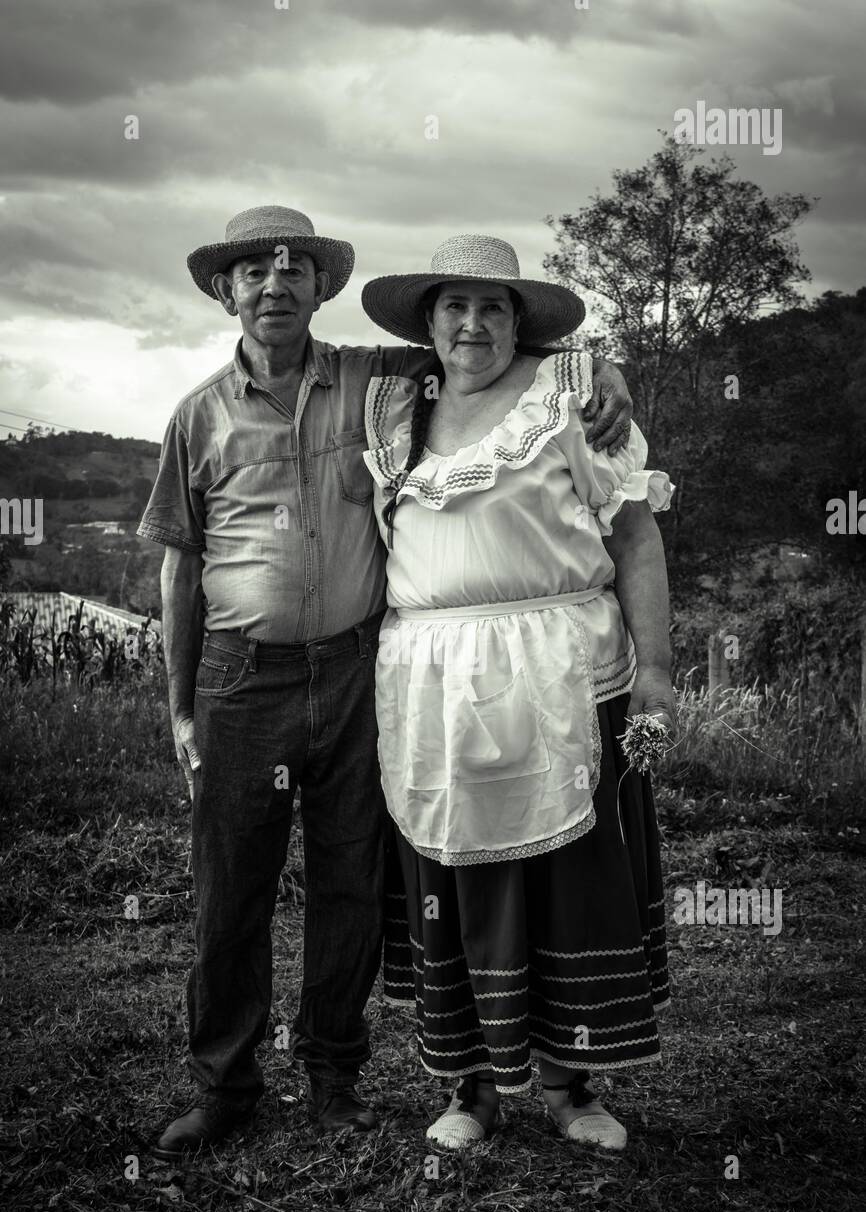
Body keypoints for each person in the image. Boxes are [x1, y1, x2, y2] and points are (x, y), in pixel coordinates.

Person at [137, 207, 635, 1157]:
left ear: (322, 288)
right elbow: (177, 568)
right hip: (242, 680)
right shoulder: (195, 415)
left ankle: (334, 1077)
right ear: (225, 290)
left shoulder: (382, 379)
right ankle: (225, 1087)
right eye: (253, 273)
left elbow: (511, 358)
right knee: (228, 890)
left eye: (293, 273)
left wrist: (600, 366)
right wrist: (179, 709)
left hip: (359, 667)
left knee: (352, 882)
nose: (274, 287)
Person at [361, 234, 676, 1151]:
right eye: (454, 306)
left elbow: (638, 539)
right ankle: (470, 1089)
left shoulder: (571, 402)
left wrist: (656, 672)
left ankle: (573, 1088)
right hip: (430, 686)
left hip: (564, 671)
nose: (472, 324)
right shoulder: (390, 408)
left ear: (519, 322)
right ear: (427, 322)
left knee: (566, 877)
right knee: (454, 876)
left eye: (493, 307)